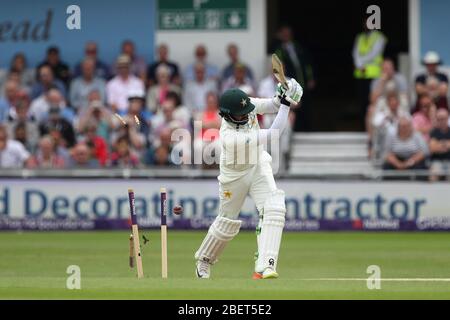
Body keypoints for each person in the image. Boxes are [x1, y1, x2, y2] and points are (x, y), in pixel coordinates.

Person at [194, 78, 303, 279]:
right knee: (227, 222)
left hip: (258, 165)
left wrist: (284, 92)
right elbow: (274, 133)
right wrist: (288, 103)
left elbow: (272, 105)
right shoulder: (229, 137)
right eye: (240, 113)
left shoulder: (247, 105)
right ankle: (204, 260)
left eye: (247, 110)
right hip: (234, 176)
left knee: (275, 207)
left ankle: (266, 265)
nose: (246, 114)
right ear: (227, 115)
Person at [272, 25, 315, 131]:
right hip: (290, 83)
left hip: (303, 82)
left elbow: (307, 64)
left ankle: (307, 130)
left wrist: (310, 78)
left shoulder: (297, 46)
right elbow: (278, 64)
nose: (286, 35)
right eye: (284, 33)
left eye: (288, 33)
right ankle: (297, 130)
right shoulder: (279, 49)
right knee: (293, 106)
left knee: (306, 106)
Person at [352, 22, 387, 127]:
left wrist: (361, 63)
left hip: (374, 75)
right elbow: (355, 52)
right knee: (362, 102)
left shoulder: (380, 37)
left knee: (373, 101)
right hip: (361, 74)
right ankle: (364, 125)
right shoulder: (360, 37)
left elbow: (374, 53)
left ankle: (373, 125)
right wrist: (359, 65)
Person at [429, 109, 450, 181]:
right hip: (437, 161)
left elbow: (436, 146)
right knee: (433, 174)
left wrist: (439, 144)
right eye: (439, 119)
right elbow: (432, 148)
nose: (441, 121)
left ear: (447, 118)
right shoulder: (434, 132)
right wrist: (446, 144)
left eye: (443, 119)